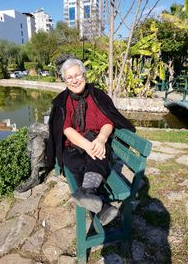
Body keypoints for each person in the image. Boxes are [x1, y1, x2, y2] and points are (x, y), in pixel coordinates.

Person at [46, 58, 135, 226]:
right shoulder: (63, 101)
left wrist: (101, 139)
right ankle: (101, 205)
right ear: (65, 81)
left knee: (99, 155)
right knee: (75, 162)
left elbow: (107, 122)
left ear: (84, 75)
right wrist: (85, 146)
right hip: (74, 146)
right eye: (69, 78)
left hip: (96, 141)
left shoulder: (97, 96)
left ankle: (88, 193)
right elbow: (66, 130)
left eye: (77, 75)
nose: (74, 80)